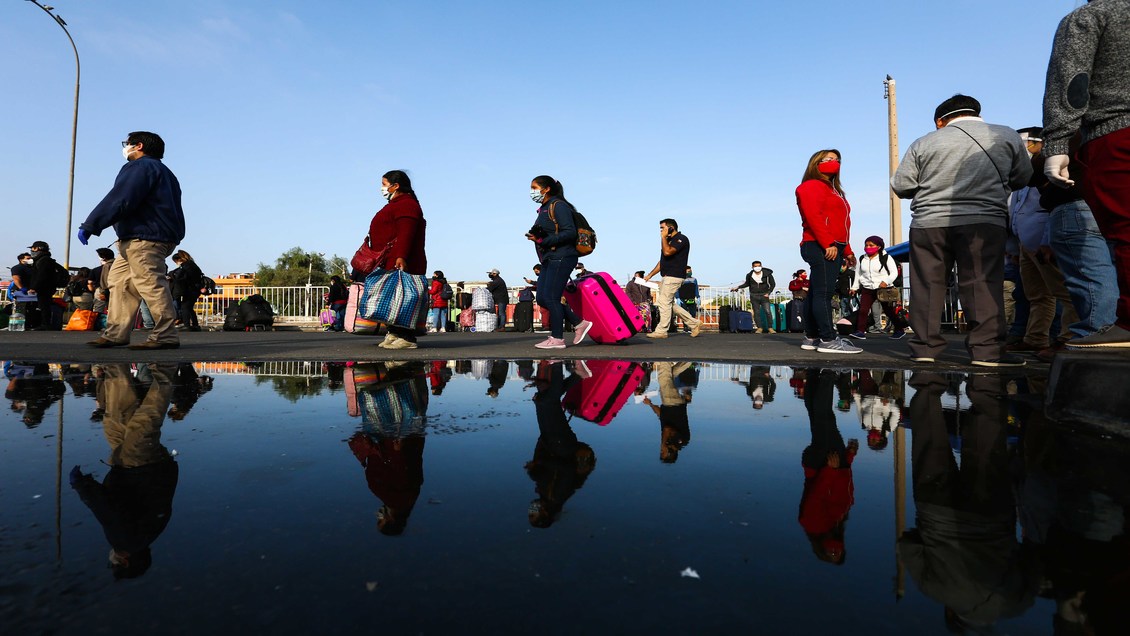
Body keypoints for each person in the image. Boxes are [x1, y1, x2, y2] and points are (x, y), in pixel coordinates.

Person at [891, 95, 1032, 366]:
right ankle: (986, 351)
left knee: (928, 286)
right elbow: (1022, 177)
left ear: (940, 120)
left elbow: (902, 185)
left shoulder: (924, 142)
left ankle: (924, 349)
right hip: (984, 220)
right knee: (981, 282)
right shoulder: (1005, 135)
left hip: (929, 223)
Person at [1043, 0, 1130, 348]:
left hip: (1115, 130)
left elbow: (1072, 83)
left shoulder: (1090, 16)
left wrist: (1057, 143)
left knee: (1125, 229)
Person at [70, 363, 180, 579]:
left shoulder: (147, 535)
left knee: (116, 420)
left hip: (131, 467)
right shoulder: (127, 541)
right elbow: (106, 510)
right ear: (124, 561)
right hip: (141, 466)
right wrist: (83, 486)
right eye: (113, 564)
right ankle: (166, 371)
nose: (110, 558)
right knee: (145, 423)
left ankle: (116, 364)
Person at [79, 131, 185, 350]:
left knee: (149, 283)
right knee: (120, 282)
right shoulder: (165, 173)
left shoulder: (141, 167)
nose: (124, 148)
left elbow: (121, 198)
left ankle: (165, 335)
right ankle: (116, 333)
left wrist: (92, 224)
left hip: (144, 237)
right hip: (147, 237)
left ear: (138, 146)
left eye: (127, 144)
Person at [1007, 127, 1079, 361]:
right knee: (1036, 295)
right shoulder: (1022, 176)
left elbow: (1053, 207)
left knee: (1063, 292)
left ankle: (1068, 339)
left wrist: (1048, 240)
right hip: (1024, 243)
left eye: (1025, 143)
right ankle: (1035, 338)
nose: (1022, 149)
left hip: (1043, 241)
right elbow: (1015, 211)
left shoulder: (1051, 169)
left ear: (1040, 144)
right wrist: (1014, 247)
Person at [795, 149, 860, 354]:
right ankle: (828, 339)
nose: (835, 162)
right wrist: (828, 243)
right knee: (823, 294)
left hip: (833, 245)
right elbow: (814, 216)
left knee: (816, 292)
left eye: (837, 159)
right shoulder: (810, 186)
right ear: (816, 163)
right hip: (820, 244)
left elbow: (843, 224)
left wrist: (847, 250)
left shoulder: (834, 190)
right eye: (829, 159)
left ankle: (812, 337)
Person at [525, 175, 592, 349]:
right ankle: (579, 323)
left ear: (546, 189)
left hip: (562, 256)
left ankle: (557, 338)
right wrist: (538, 237)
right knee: (541, 297)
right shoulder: (544, 208)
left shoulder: (558, 206)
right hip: (550, 258)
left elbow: (569, 232)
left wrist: (543, 241)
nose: (532, 192)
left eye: (534, 187)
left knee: (552, 297)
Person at [798, 368, 857, 565]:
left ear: (821, 551)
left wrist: (830, 471)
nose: (835, 550)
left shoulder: (812, 524)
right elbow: (846, 488)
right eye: (839, 553)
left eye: (831, 554)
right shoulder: (838, 523)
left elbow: (817, 494)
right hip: (837, 462)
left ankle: (827, 375)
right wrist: (849, 457)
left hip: (822, 466)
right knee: (819, 416)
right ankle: (815, 376)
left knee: (822, 417)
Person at [366, 170, 428, 350]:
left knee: (404, 297)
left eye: (384, 184)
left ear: (396, 186)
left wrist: (401, 255)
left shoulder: (407, 205)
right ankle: (394, 332)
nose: (382, 188)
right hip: (389, 260)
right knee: (391, 297)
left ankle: (406, 336)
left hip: (401, 259)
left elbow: (406, 233)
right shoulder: (396, 204)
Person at [643, 218, 702, 339]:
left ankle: (661, 330)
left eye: (662, 228)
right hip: (666, 276)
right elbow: (662, 261)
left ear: (671, 228)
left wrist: (663, 238)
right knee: (666, 303)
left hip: (674, 276)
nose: (661, 231)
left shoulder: (681, 239)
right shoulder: (668, 240)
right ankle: (694, 323)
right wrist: (650, 275)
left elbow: (668, 252)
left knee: (664, 303)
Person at [849, 236, 908, 340]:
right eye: (866, 245)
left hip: (883, 289)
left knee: (888, 311)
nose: (868, 247)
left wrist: (886, 281)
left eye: (871, 245)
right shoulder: (862, 258)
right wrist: (854, 287)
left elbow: (894, 272)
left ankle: (899, 329)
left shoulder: (886, 257)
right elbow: (858, 274)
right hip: (867, 288)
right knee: (863, 310)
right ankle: (860, 331)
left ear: (879, 246)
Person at [642, 361, 694, 463]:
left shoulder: (673, 442)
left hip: (670, 403)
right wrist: (663, 442)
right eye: (662, 452)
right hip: (672, 403)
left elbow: (662, 416)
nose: (661, 450)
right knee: (664, 378)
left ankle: (689, 359)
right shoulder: (680, 441)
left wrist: (651, 404)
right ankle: (665, 357)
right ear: (670, 453)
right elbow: (667, 428)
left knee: (670, 375)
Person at [27, 241, 63, 331]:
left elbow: (41, 276)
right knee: (43, 305)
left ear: (39, 248)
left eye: (33, 248)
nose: (32, 250)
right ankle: (44, 323)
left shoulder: (44, 260)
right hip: (46, 287)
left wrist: (34, 287)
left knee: (44, 306)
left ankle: (45, 324)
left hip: (45, 288)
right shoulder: (43, 260)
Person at [732, 260, 776, 333]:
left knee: (767, 311)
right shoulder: (749, 275)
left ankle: (770, 328)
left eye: (759, 266)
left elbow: (773, 284)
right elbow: (747, 284)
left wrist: (769, 292)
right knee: (756, 312)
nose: (757, 267)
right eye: (755, 266)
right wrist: (738, 287)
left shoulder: (768, 274)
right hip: (754, 295)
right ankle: (759, 328)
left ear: (761, 266)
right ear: (752, 267)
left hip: (764, 295)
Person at [168, 250, 203, 331]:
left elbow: (180, 277)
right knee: (189, 307)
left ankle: (187, 325)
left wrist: (172, 277)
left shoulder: (186, 266)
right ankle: (195, 325)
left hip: (191, 289)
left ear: (179, 260)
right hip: (195, 289)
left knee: (185, 307)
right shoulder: (192, 265)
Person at [673, 265, 701, 333]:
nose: (690, 272)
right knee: (684, 314)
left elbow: (696, 289)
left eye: (690, 271)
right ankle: (685, 328)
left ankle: (692, 328)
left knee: (692, 314)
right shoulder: (680, 279)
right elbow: (677, 289)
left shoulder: (694, 279)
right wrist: (677, 297)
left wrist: (698, 297)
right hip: (682, 299)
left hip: (691, 298)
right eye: (688, 271)